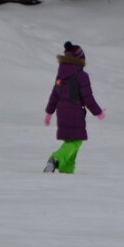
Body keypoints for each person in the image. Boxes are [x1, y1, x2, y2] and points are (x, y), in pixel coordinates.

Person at [43, 41, 105, 174]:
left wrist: (49, 113)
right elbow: (88, 98)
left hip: (62, 113)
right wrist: (98, 112)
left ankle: (66, 171)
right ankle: (56, 159)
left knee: (72, 141)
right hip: (75, 113)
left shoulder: (61, 76)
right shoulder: (81, 76)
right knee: (75, 142)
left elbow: (55, 95)